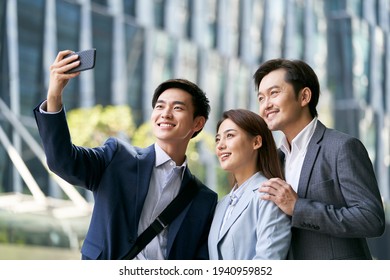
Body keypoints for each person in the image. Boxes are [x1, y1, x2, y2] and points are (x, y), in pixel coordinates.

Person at [33, 50, 218, 260]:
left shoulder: (204, 199)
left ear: (198, 123)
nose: (165, 113)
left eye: (177, 108)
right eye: (160, 106)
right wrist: (54, 95)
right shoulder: (118, 157)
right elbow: (63, 162)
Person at [254, 58, 386, 259]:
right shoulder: (275, 160)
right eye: (261, 98)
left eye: (274, 93)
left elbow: (371, 219)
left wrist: (299, 207)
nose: (266, 105)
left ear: (304, 96)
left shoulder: (341, 147)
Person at [208, 109, 291, 260]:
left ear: (256, 142)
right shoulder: (221, 205)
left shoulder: (269, 195)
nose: (220, 145)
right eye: (218, 139)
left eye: (230, 136)